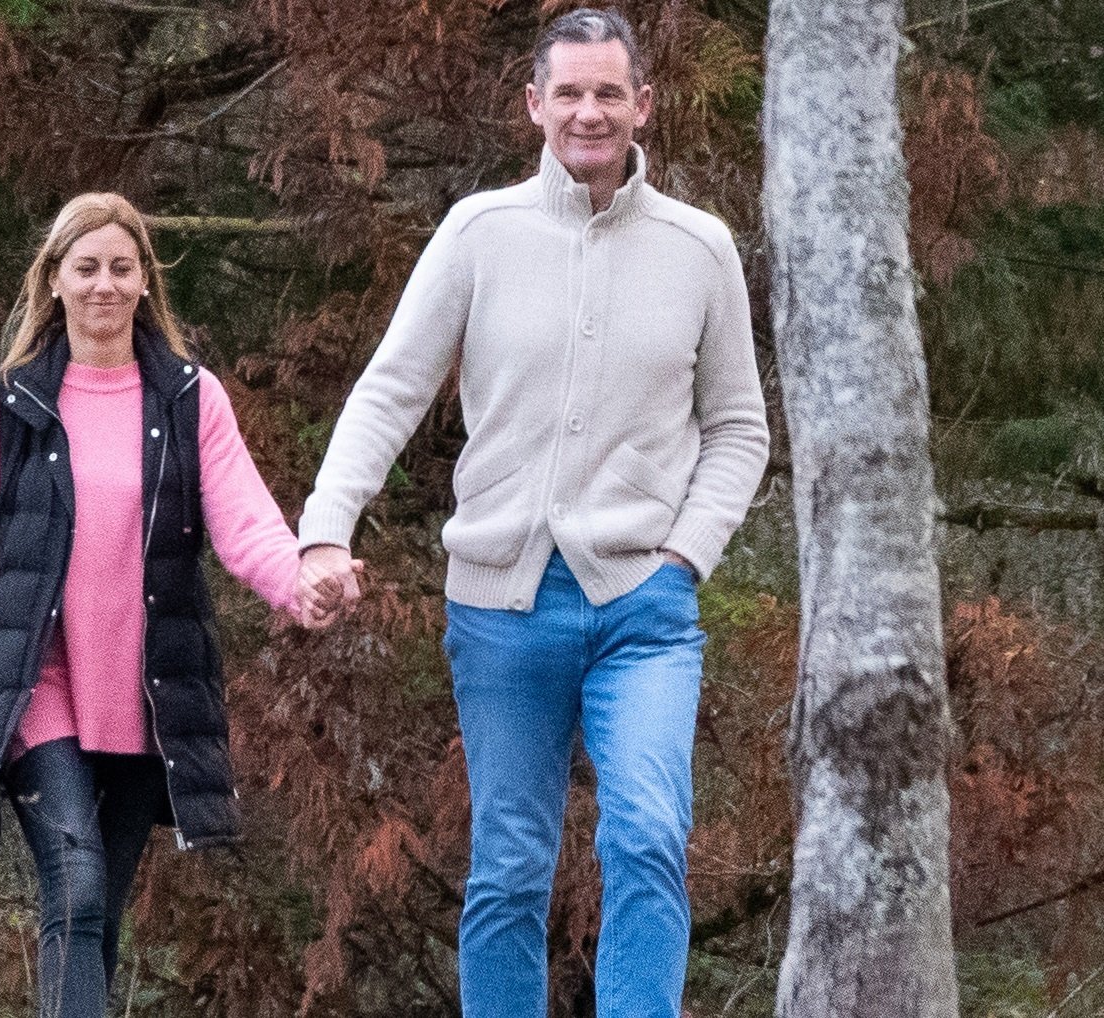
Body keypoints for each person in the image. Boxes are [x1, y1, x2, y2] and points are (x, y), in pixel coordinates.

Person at [296, 8, 769, 1017]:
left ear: (642, 105)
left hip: (644, 608)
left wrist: (684, 557)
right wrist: (325, 530)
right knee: (509, 866)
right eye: (569, 93)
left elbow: (738, 429)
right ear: (534, 107)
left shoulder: (698, 248)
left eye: (609, 92)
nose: (589, 112)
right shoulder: (480, 232)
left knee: (646, 833)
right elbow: (390, 391)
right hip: (501, 608)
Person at [0, 192, 344, 1018]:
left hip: (143, 696)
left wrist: (300, 583)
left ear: (144, 282)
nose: (103, 284)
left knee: (93, 920)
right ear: (53, 281)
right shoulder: (9, 405)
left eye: (120, 268)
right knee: (77, 885)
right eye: (85, 268)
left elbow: (246, 525)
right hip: (37, 685)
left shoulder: (191, 401)